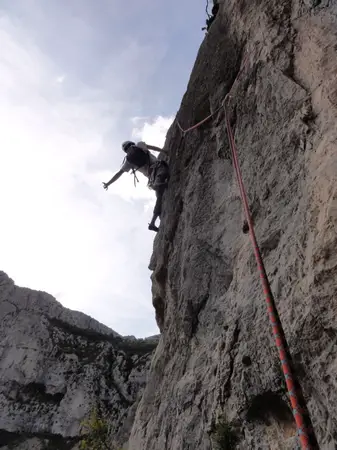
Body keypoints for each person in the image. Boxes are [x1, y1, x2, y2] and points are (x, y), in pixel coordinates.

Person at [102, 141, 169, 232]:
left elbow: (119, 174)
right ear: (131, 143)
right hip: (158, 167)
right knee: (163, 173)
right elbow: (153, 147)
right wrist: (164, 151)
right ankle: (157, 185)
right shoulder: (139, 145)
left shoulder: (128, 161)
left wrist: (107, 183)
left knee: (159, 197)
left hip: (151, 177)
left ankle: (153, 222)